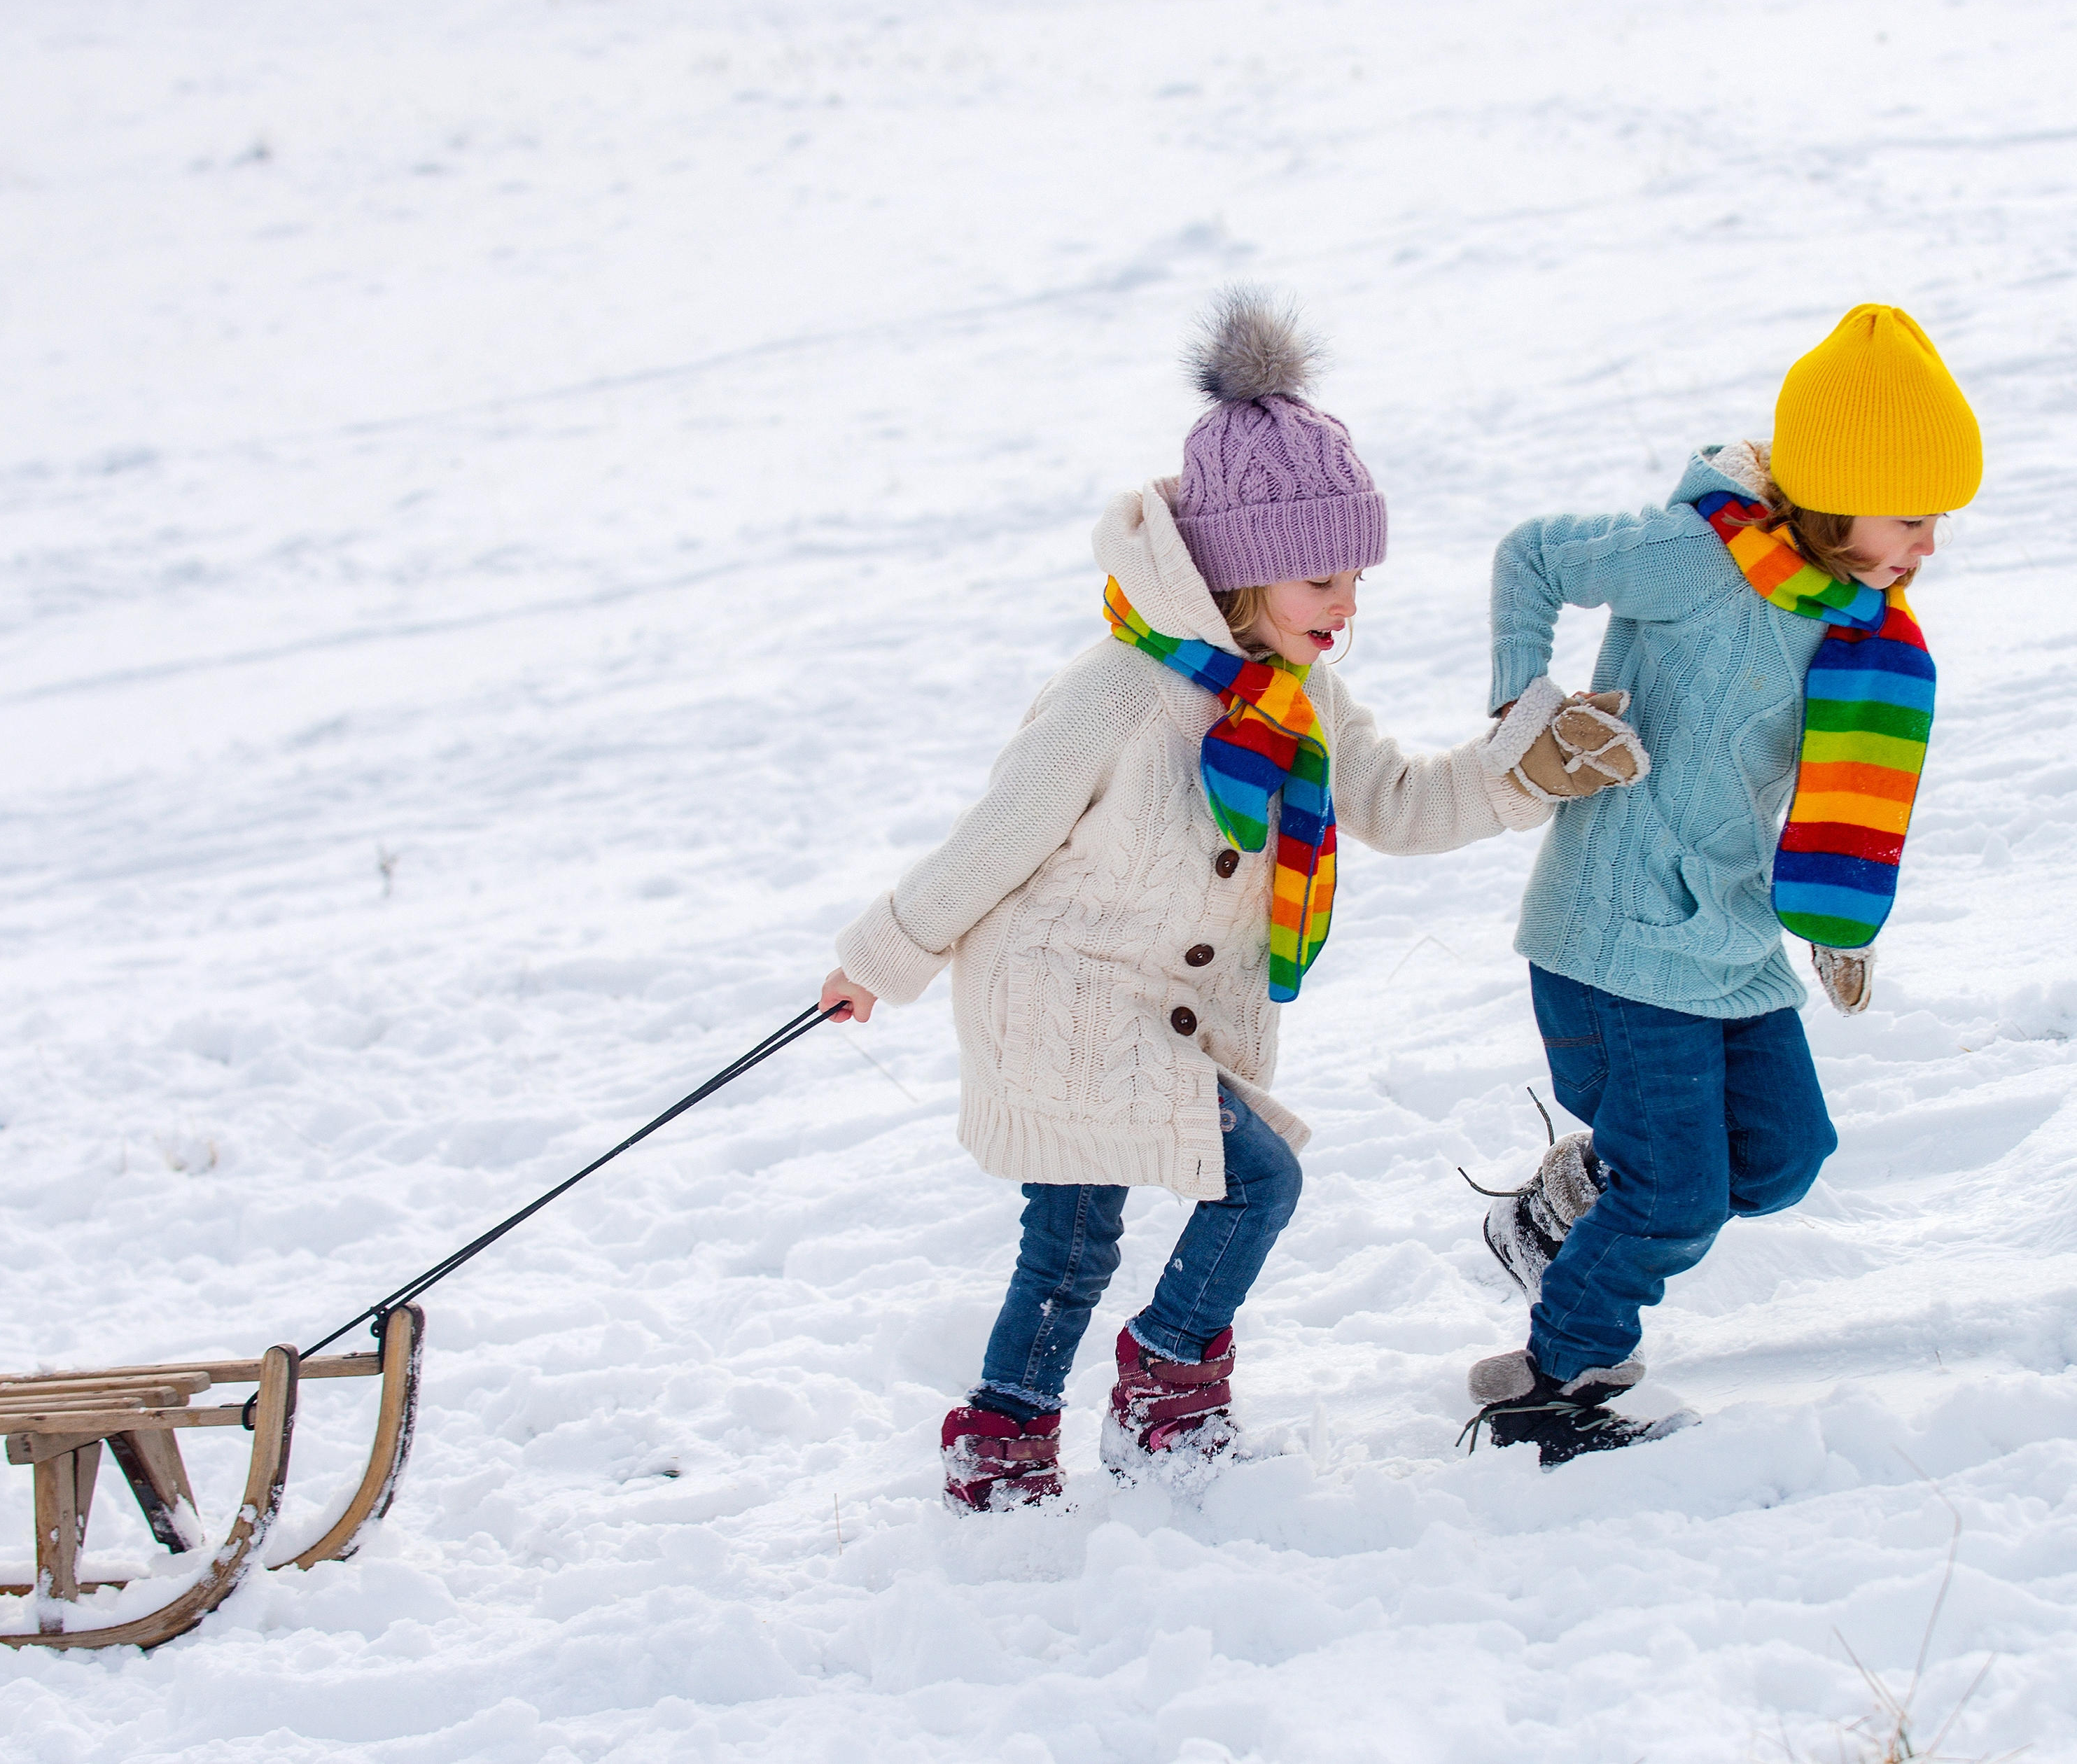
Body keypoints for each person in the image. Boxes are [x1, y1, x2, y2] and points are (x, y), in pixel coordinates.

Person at [819, 293, 1646, 1511]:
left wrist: (1528, 773)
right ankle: (1131, 1405)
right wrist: (880, 959)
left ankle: (1040, 1432)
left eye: (1355, 576)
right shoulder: (1117, 693)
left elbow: (1404, 803)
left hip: (1159, 1010)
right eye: (1321, 575)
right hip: (1056, 998)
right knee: (1217, 1193)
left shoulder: (1297, 694)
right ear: (1241, 573)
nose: (1346, 605)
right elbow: (993, 842)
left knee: (1095, 1230)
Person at [1465, 302, 1978, 1464]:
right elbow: (1533, 554)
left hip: (1733, 938)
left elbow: (1840, 781)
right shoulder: (1699, 558)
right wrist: (1523, 706)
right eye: (1914, 517)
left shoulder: (1853, 618)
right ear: (1839, 495)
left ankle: (1565, 1213)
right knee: (1678, 1194)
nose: (1930, 547)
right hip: (1624, 935)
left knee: (1783, 1155)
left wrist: (1837, 919)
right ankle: (1556, 1383)